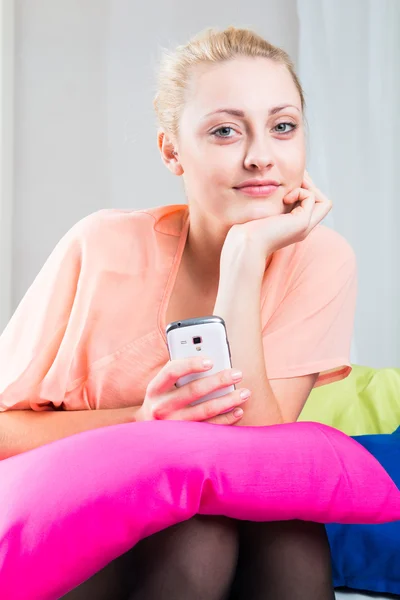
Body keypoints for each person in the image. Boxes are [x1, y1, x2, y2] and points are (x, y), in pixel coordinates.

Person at [0, 25, 357, 600]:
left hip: (221, 524)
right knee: (199, 538)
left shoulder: (319, 259)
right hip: (70, 518)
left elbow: (257, 455)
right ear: (171, 151)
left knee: (290, 537)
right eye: (224, 131)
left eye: (283, 126)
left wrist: (244, 260)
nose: (261, 156)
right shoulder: (102, 246)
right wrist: (141, 423)